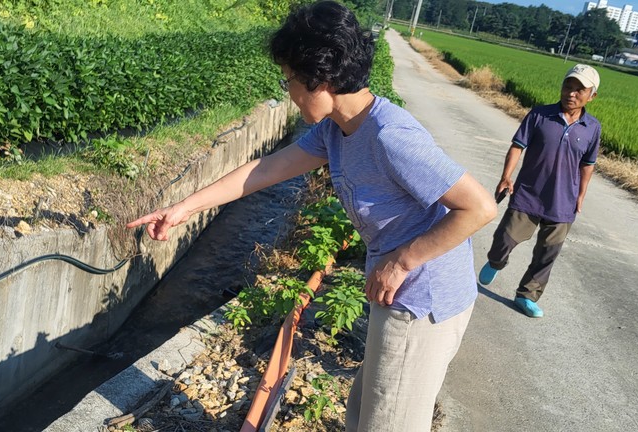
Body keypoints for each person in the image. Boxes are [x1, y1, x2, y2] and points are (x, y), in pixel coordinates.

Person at [127, 2, 495, 430]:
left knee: (387, 422)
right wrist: (183, 208)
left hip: (421, 300)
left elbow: (478, 207)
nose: (288, 92)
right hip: (397, 291)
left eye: (289, 81)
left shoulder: (390, 136)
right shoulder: (338, 128)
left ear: (320, 79)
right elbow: (266, 170)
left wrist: (402, 262)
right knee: (365, 413)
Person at [477, 64, 602, 319]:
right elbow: (517, 146)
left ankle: (526, 296)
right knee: (505, 238)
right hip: (528, 194)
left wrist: (581, 195)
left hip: (562, 202)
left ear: (592, 96)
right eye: (568, 86)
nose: (571, 93)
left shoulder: (592, 128)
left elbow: (587, 165)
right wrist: (506, 177)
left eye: (580, 90)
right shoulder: (540, 115)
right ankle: (496, 262)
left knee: (547, 253)